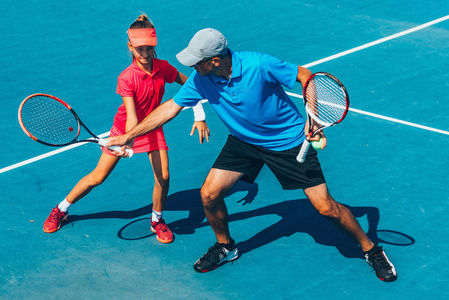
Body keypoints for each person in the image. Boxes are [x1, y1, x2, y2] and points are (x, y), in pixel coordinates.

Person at [105, 28, 397, 281]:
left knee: (325, 208)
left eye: (198, 61)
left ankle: (371, 249)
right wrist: (130, 134)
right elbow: (170, 107)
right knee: (209, 194)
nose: (193, 66)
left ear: (215, 60)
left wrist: (314, 117)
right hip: (244, 142)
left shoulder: (259, 64)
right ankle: (226, 246)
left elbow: (305, 75)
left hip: (288, 142)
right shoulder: (201, 79)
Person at [42, 15, 210, 244]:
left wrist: (199, 115)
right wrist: (127, 140)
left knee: (164, 175)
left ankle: (157, 219)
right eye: (140, 48)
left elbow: (193, 84)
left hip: (152, 127)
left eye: (150, 48)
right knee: (97, 177)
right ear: (130, 46)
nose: (146, 53)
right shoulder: (127, 77)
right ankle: (61, 209)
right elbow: (132, 115)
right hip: (124, 129)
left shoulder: (163, 68)